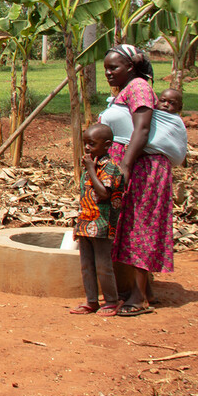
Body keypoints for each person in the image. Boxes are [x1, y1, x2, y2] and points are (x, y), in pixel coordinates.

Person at [101, 44, 173, 317]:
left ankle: (138, 297)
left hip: (143, 168)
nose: (108, 72)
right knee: (131, 225)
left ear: (130, 67)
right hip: (133, 165)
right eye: (106, 68)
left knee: (139, 227)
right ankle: (145, 292)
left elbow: (141, 129)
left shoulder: (139, 87)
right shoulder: (127, 89)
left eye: (114, 67)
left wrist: (126, 166)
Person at [71, 124, 124, 317]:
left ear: (107, 145)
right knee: (86, 265)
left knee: (103, 265)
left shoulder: (110, 168)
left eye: (92, 144)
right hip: (86, 224)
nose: (87, 148)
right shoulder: (90, 166)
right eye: (85, 143)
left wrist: (92, 170)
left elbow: (103, 193)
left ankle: (111, 301)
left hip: (102, 225)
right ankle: (91, 301)